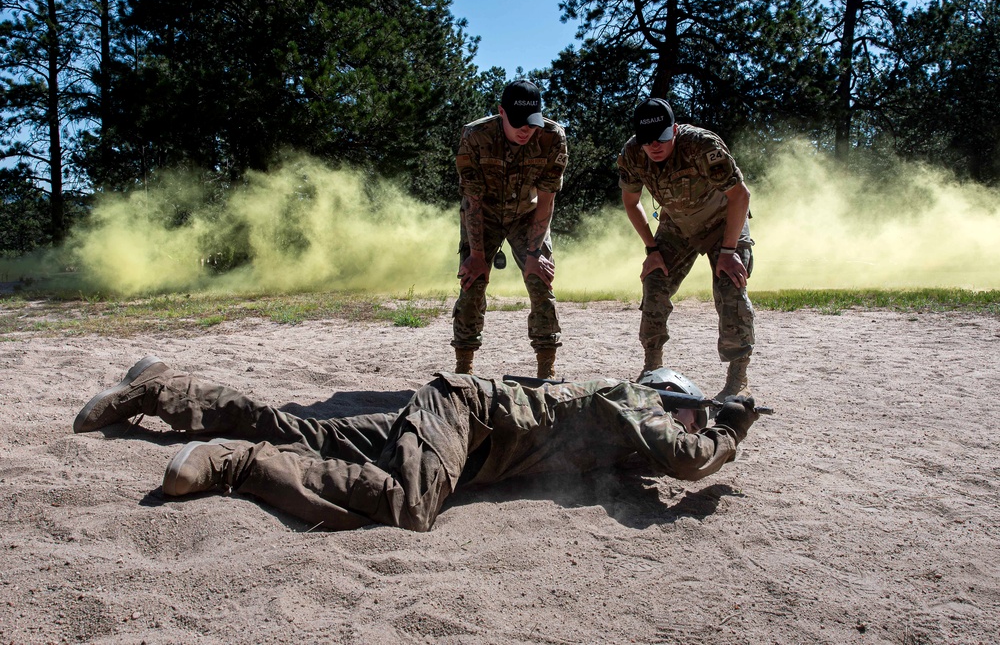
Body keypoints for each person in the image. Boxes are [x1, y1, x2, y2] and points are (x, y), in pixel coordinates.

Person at [73, 356, 760, 533]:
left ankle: (159, 391)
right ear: (669, 398)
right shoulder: (636, 399)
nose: (686, 427)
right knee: (409, 507)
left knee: (303, 430)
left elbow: (650, 467)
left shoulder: (621, 440)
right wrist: (729, 425)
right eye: (687, 413)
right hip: (461, 416)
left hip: (455, 427)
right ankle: (234, 464)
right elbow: (687, 460)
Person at [617, 98, 757, 400]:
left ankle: (737, 380)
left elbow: (740, 196)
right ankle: (651, 370)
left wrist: (729, 251)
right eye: (647, 140)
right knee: (654, 280)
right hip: (678, 224)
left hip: (724, 222)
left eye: (662, 138)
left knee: (729, 286)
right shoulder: (632, 154)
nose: (655, 146)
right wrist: (651, 249)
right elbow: (631, 202)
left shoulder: (702, 145)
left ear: (675, 130)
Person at [453, 79, 569, 379]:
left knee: (541, 281)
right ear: (501, 112)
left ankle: (546, 372)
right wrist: (477, 255)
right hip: (484, 214)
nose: (525, 130)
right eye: (517, 123)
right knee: (472, 283)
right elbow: (472, 200)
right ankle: (463, 371)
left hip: (527, 215)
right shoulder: (475, 136)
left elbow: (546, 200)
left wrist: (533, 252)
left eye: (530, 124)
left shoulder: (553, 137)